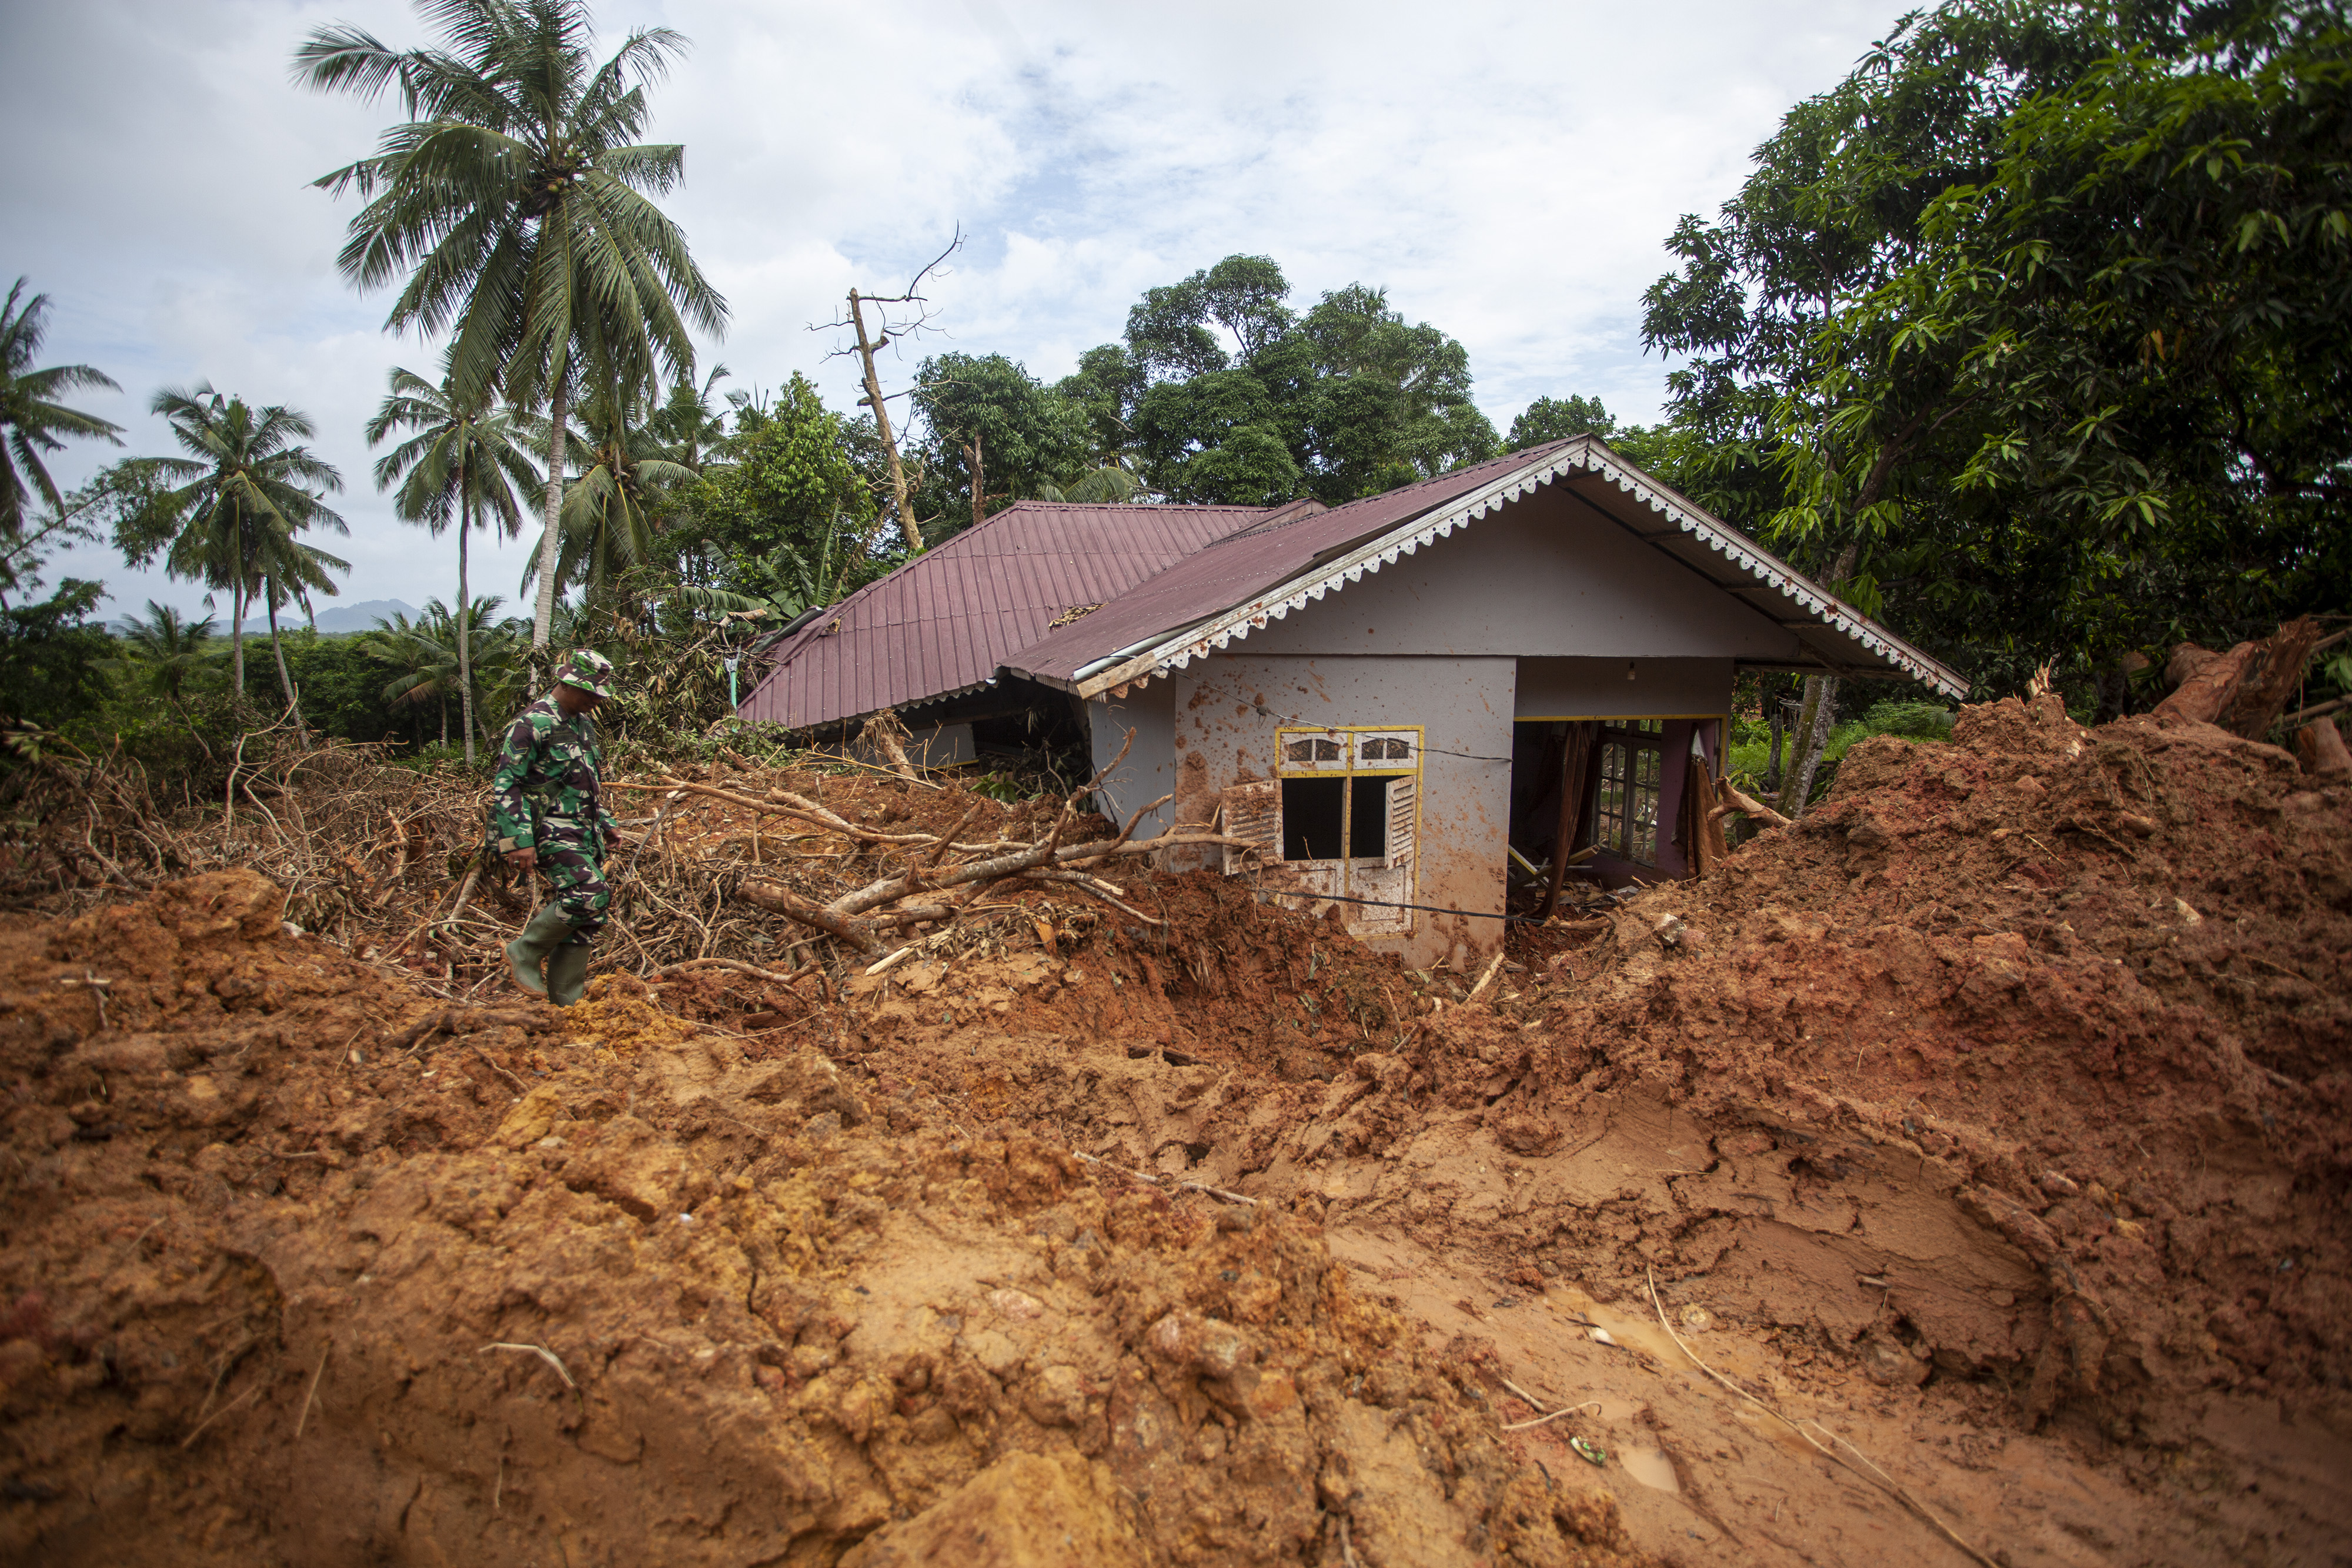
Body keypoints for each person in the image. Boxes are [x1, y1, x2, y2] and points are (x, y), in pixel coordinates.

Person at [492, 650, 623, 1005]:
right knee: (588, 894)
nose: (596, 700)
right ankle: (524, 951)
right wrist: (517, 840)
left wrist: (606, 822)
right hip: (548, 828)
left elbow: (583, 781)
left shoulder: (581, 724)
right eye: (590, 693)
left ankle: (567, 1004)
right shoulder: (532, 723)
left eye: (600, 693)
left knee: (589, 916)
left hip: (583, 830)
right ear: (567, 684)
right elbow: (507, 783)